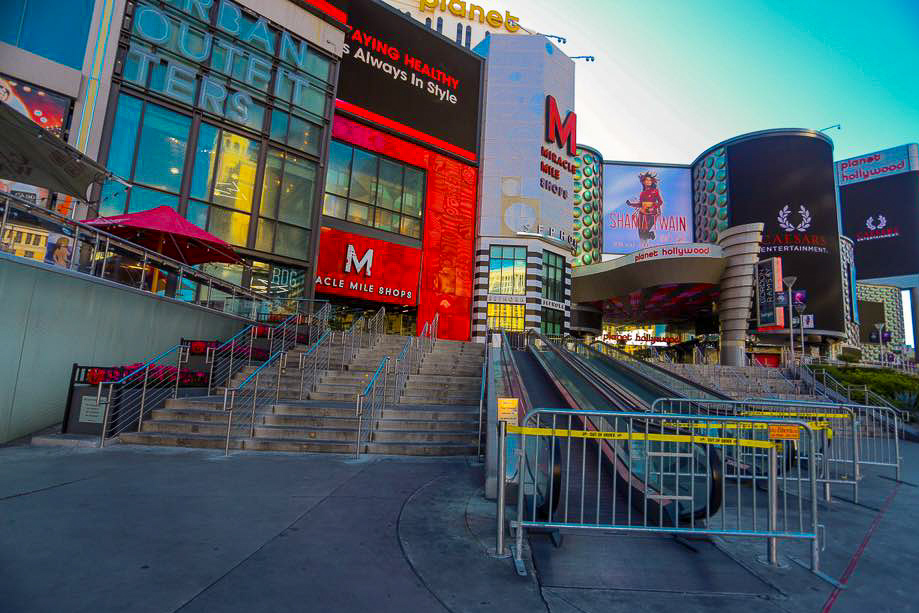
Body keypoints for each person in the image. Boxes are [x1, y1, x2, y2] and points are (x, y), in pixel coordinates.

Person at [626, 171, 664, 249]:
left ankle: (650, 235)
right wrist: (631, 204)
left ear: (652, 181)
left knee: (645, 233)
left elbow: (660, 202)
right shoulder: (642, 193)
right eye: (646, 180)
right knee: (641, 235)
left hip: (651, 215)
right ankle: (643, 249)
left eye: (650, 180)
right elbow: (640, 204)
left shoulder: (655, 191)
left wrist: (653, 207)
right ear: (643, 181)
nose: (648, 182)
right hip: (642, 215)